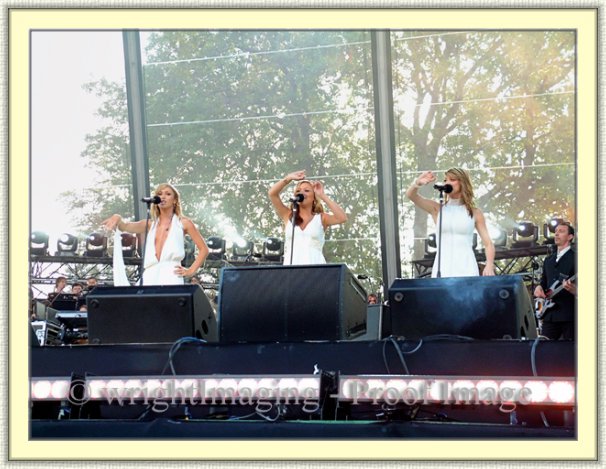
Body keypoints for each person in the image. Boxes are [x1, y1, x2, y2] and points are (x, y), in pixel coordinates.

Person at [102, 183, 209, 285]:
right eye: (159, 194)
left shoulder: (183, 223)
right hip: (149, 275)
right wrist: (117, 217)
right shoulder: (149, 224)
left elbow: (204, 249)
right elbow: (124, 226)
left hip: (171, 274)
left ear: (175, 200)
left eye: (168, 194)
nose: (163, 197)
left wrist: (191, 271)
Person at [406, 168, 495, 278]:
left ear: (462, 183)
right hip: (442, 269)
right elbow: (411, 196)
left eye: (452, 179)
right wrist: (417, 183)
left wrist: (489, 265)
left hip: (467, 268)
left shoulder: (475, 213)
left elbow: (488, 243)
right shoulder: (437, 209)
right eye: (445, 180)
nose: (447, 182)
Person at [268, 170, 348, 265]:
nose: (301, 193)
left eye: (306, 190)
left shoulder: (321, 218)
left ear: (314, 197)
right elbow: (272, 194)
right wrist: (288, 178)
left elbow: (342, 218)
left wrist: (322, 195)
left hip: (315, 266)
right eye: (298, 191)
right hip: (291, 267)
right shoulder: (288, 215)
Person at [533, 222, 576, 340]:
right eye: (556, 231)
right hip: (549, 315)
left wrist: (575, 290)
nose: (556, 234)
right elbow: (544, 281)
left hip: (570, 315)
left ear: (570, 237)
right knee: (544, 348)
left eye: (561, 231)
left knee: (570, 349)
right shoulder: (548, 260)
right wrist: (538, 287)